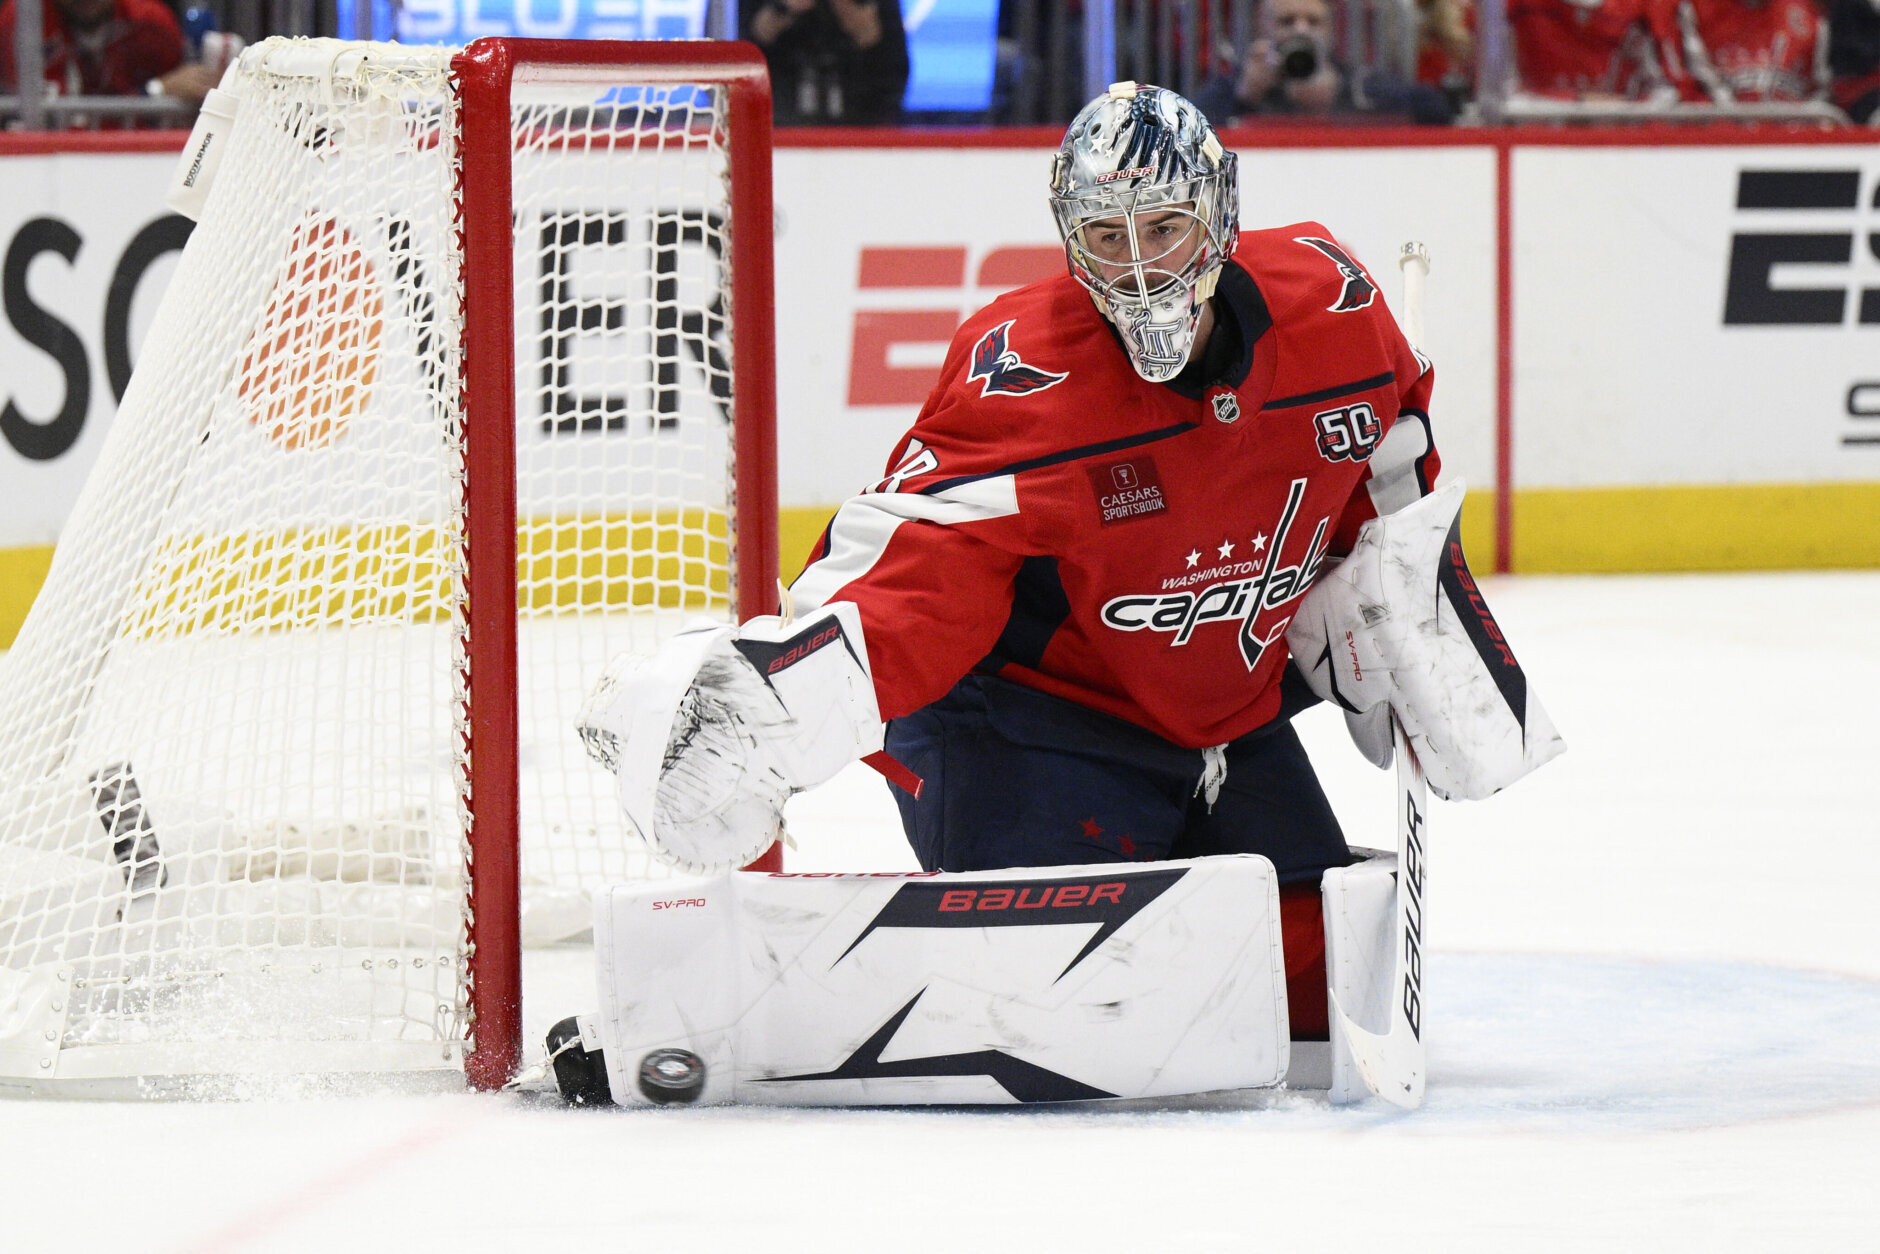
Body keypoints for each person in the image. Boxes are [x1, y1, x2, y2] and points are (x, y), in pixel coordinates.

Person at [580, 83, 1559, 1046]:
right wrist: (771, 701)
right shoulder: (1028, 372)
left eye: (1163, 228)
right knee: (1061, 1010)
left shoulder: (1334, 310)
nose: (1137, 268)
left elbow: (1383, 469)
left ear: (1218, 214)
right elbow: (917, 570)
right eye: (1104, 236)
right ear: (1067, 235)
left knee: (1314, 988)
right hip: (1025, 722)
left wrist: (1405, 606)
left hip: (1217, 720)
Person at [1192, 0, 1456, 125]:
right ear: (1262, 28)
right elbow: (1189, 128)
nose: (1301, 30)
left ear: (1331, 31)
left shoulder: (1356, 82)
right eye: (1287, 21)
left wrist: (1340, 98)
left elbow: (1435, 110)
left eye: (1313, 21)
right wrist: (1243, 98)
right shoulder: (1243, 81)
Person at [0, 0, 217, 119]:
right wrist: (154, 92)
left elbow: (185, 122)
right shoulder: (22, 22)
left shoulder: (152, 22)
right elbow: (57, 122)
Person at [742, 0, 910, 125]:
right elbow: (751, 46)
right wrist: (784, 9)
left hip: (861, 121)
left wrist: (846, 7)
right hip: (782, 120)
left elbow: (890, 64)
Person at [1650, 0, 1830, 103]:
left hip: (1791, 143)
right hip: (1718, 140)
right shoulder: (1694, 10)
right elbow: (1685, 89)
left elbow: (1820, 97)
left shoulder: (1809, 19)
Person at [1505, 0, 1669, 99]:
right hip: (1535, 126)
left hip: (1626, 131)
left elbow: (1669, 96)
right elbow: (1499, 97)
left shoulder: (1645, 9)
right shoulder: (1519, 7)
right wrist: (1579, 100)